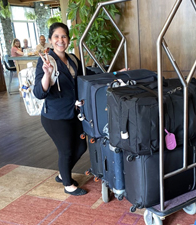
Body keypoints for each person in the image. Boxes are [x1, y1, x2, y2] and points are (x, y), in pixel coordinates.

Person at [33, 23, 128, 196]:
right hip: (54, 116)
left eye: (64, 36)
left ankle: (63, 174)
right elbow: (39, 93)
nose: (60, 40)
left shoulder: (72, 60)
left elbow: (90, 76)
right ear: (50, 40)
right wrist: (47, 74)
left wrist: (115, 74)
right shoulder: (46, 61)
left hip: (73, 113)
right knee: (67, 149)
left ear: (68, 40)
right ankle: (67, 184)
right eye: (56, 37)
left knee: (80, 147)